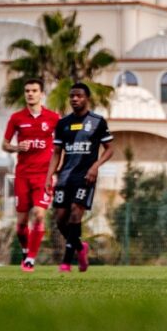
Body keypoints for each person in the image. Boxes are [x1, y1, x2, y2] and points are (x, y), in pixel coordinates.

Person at [46, 82, 114, 273]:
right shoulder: (63, 123)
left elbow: (110, 149)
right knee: (60, 220)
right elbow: (57, 152)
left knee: (76, 212)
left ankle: (66, 262)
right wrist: (49, 176)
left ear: (87, 98)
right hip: (65, 177)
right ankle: (79, 248)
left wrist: (95, 166)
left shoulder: (97, 121)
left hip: (85, 177)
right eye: (72, 96)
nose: (75, 99)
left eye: (79, 96)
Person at [1, 77, 60, 272]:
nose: (30, 94)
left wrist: (57, 170)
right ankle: (26, 249)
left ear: (42, 94)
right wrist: (17, 147)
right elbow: (5, 144)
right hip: (22, 175)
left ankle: (30, 260)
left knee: (39, 215)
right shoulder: (17, 118)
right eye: (27, 90)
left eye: (34, 90)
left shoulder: (53, 118)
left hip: (43, 175)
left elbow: (62, 146)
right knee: (20, 224)